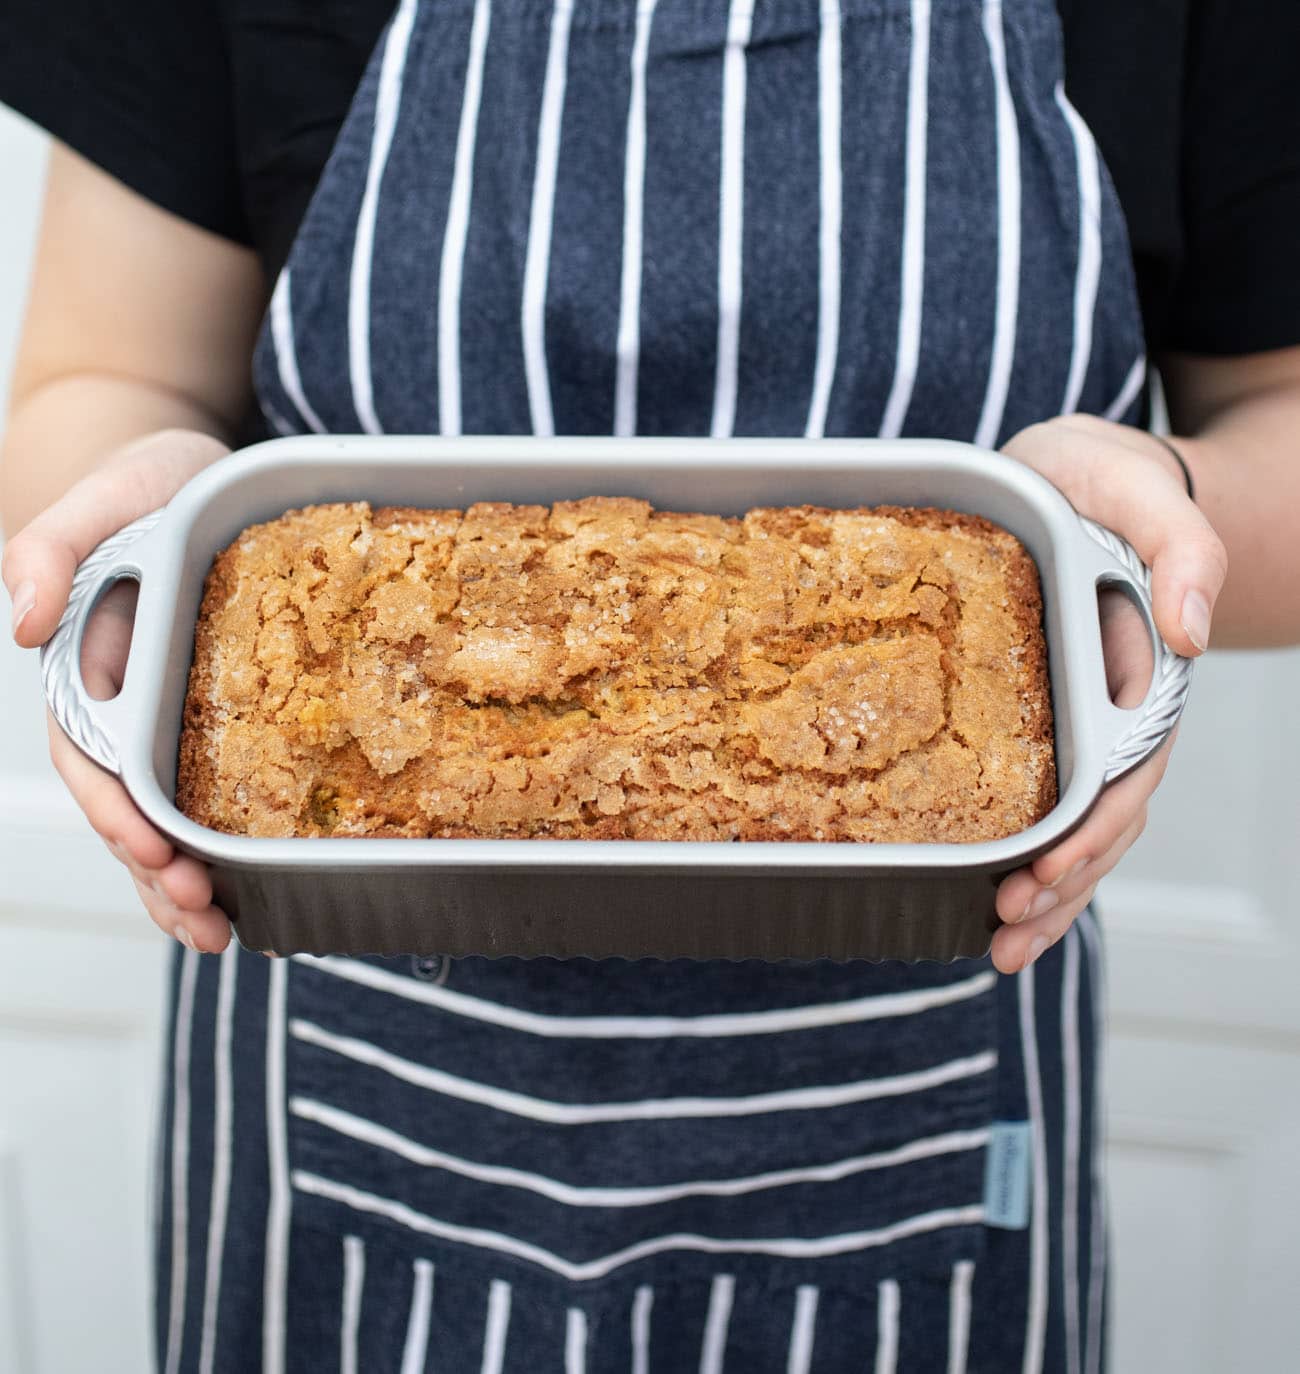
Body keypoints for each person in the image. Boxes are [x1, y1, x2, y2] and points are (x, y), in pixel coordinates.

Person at [1, 1, 1296, 1369]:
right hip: (351, 1101)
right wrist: (128, 545)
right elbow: (105, 376)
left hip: (923, 1114)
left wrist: (1156, 527)